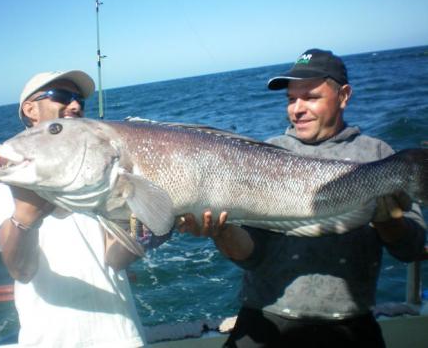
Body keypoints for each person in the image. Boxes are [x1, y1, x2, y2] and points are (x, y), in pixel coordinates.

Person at [178, 49, 427, 348]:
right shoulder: (263, 154)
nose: (297, 109)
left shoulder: (378, 155)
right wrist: (221, 232)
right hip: (265, 317)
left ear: (344, 96)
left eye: (310, 97)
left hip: (348, 324)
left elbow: (412, 249)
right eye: (291, 99)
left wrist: (389, 221)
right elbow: (252, 255)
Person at [0, 70, 146, 347]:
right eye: (62, 96)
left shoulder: (104, 175)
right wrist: (26, 217)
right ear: (30, 109)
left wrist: (151, 225)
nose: (75, 105)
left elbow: (116, 259)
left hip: (120, 336)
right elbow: (21, 270)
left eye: (79, 99)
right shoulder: (7, 185)